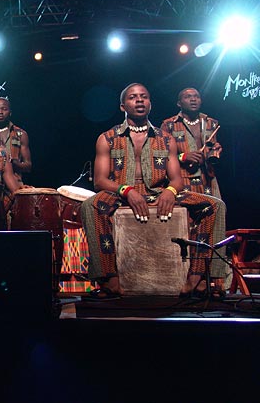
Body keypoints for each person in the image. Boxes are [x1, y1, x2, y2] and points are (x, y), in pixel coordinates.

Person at [80, 83, 227, 299]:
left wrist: (169, 191)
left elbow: (177, 180)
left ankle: (198, 279)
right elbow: (100, 181)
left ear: (150, 104)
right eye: (133, 97)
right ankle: (109, 280)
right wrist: (126, 190)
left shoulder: (166, 139)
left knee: (214, 205)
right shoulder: (107, 137)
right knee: (90, 205)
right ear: (123, 106)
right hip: (120, 193)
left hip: (158, 192)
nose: (139, 100)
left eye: (144, 97)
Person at [160, 87, 222, 198]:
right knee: (186, 214)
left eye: (196, 97)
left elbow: (213, 148)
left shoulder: (211, 123)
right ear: (179, 103)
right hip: (182, 178)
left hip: (208, 178)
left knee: (215, 211)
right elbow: (161, 156)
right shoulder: (169, 124)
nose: (193, 99)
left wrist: (215, 151)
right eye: (188, 97)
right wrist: (183, 157)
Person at [0, 97, 32, 184]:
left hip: (15, 183)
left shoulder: (20, 134)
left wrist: (13, 163)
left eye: (4, 109)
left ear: (10, 112)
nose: (0, 112)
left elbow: (28, 166)